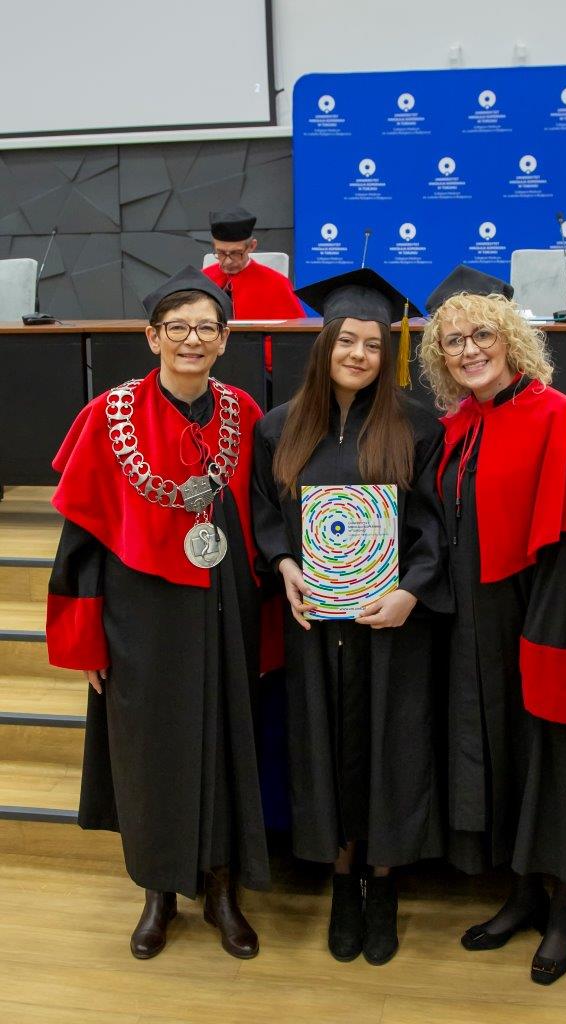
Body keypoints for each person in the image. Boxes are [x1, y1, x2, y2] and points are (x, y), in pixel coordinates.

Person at [45, 266, 270, 961]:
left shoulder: (244, 413)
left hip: (225, 603)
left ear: (225, 339)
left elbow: (266, 515)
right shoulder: (107, 416)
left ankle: (223, 889)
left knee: (227, 739)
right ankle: (157, 892)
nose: (192, 340)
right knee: (147, 750)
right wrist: (85, 641)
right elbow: (80, 541)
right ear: (152, 337)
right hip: (138, 611)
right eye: (178, 328)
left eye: (206, 328)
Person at [419, 264, 566, 985]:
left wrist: (546, 632)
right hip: (478, 624)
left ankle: (564, 909)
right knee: (505, 755)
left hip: (550, 618)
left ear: (511, 338)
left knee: (558, 757)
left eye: (482, 334)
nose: (469, 350)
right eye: (453, 341)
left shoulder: (558, 417)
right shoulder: (459, 426)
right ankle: (521, 893)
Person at [251, 268, 451, 966]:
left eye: (372, 344)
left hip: (391, 625)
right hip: (316, 627)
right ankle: (342, 881)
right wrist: (284, 564)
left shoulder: (418, 426)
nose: (359, 354)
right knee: (324, 746)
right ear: (325, 343)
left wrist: (411, 592)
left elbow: (437, 525)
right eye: (347, 340)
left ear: (386, 352)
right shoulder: (280, 427)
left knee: (392, 748)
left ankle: (384, 882)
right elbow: (266, 515)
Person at [203, 205, 305, 321]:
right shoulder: (202, 280)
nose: (228, 261)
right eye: (221, 253)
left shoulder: (277, 284)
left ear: (252, 246)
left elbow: (296, 329)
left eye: (236, 253)